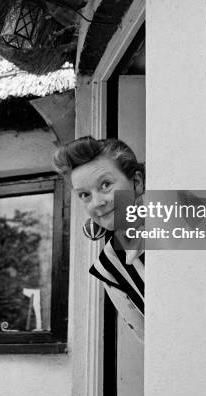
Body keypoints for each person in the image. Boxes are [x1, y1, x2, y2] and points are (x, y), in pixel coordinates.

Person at [53, 136, 145, 342]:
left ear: (136, 182)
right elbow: (151, 340)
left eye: (105, 185)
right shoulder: (108, 266)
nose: (97, 203)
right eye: (85, 195)